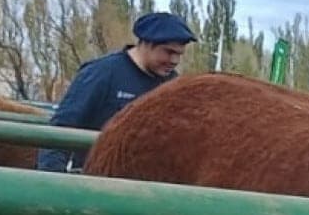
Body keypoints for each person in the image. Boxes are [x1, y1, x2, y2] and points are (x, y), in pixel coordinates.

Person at [36, 11, 197, 172]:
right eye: (168, 52)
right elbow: (62, 128)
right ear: (146, 43)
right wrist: (53, 181)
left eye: (179, 54)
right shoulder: (101, 73)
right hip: (98, 179)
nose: (175, 61)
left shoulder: (173, 84)